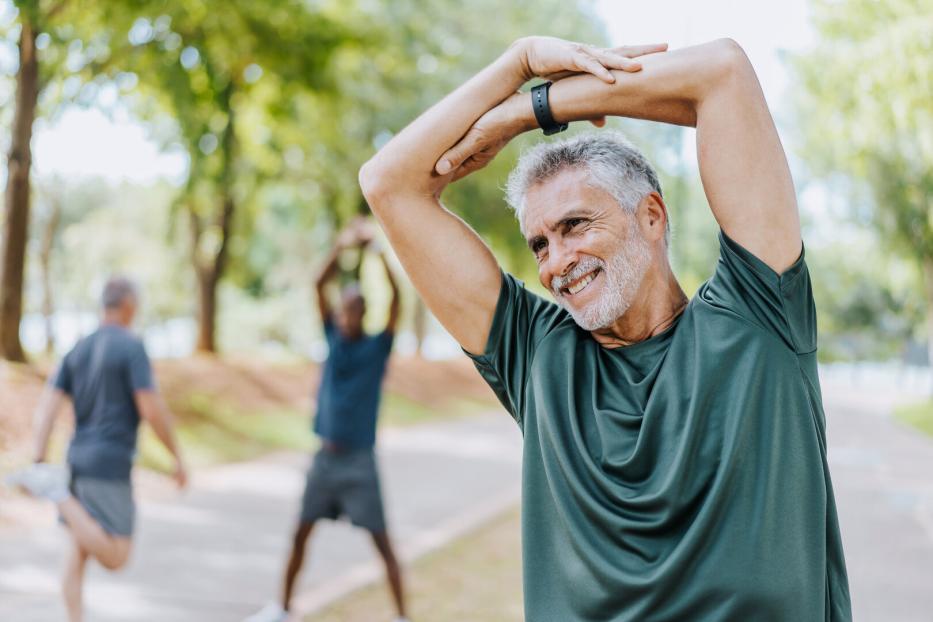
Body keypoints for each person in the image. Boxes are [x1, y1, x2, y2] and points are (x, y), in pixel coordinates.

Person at [359, 36, 851, 621]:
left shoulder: (758, 316)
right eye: (539, 243)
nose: (555, 262)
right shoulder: (536, 355)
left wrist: (530, 109)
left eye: (575, 225)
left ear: (650, 215)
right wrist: (516, 61)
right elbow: (388, 182)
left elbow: (720, 73)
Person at [247, 219, 407, 622]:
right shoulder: (332, 338)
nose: (346, 314)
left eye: (354, 308)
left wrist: (376, 254)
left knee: (382, 542)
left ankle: (403, 615)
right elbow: (318, 283)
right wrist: (341, 246)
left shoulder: (377, 347)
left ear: (363, 312)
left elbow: (398, 300)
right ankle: (281, 610)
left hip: (358, 462)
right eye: (342, 308)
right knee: (300, 534)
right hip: (325, 459)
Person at [6, 276, 187, 622]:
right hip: (109, 465)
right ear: (130, 307)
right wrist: (176, 457)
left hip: (78, 459)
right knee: (116, 555)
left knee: (77, 550)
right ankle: (58, 493)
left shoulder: (79, 347)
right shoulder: (131, 347)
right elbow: (150, 407)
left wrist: (40, 457)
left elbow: (47, 406)